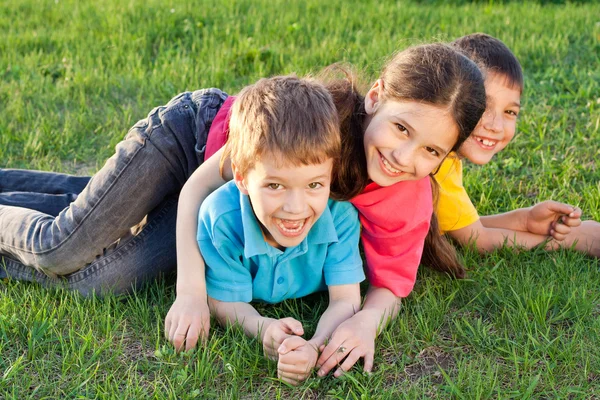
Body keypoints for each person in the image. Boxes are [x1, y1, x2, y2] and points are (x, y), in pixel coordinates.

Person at [164, 42, 488, 379]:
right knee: (109, 272)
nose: (403, 157)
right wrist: (190, 293)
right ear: (375, 98)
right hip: (194, 131)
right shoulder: (321, 119)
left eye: (431, 150)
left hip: (241, 210)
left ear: (447, 157)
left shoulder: (404, 201)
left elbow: (390, 284)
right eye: (401, 128)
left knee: (128, 272)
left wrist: (364, 322)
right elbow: (198, 188)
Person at [199, 75, 365, 385]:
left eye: (314, 184)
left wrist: (314, 346)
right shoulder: (222, 219)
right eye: (275, 185)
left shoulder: (340, 216)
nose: (296, 208)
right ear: (242, 177)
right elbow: (223, 301)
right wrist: (262, 327)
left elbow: (346, 300)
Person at [434, 33, 600, 257]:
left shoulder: (445, 155)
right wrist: (574, 239)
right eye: (482, 105)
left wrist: (526, 219)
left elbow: (459, 226)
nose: (496, 126)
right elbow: (478, 240)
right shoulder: (435, 164)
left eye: (509, 112)